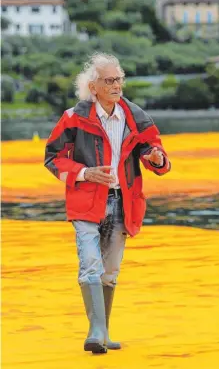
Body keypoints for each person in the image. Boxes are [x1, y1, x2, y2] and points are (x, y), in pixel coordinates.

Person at [44, 52, 171, 354]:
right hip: (86, 202)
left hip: (122, 203)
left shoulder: (137, 118)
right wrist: (85, 172)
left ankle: (103, 331)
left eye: (119, 79)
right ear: (94, 86)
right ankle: (96, 330)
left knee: (109, 271)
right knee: (90, 264)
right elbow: (52, 159)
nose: (116, 85)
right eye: (109, 80)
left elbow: (159, 158)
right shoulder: (73, 118)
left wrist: (155, 158)